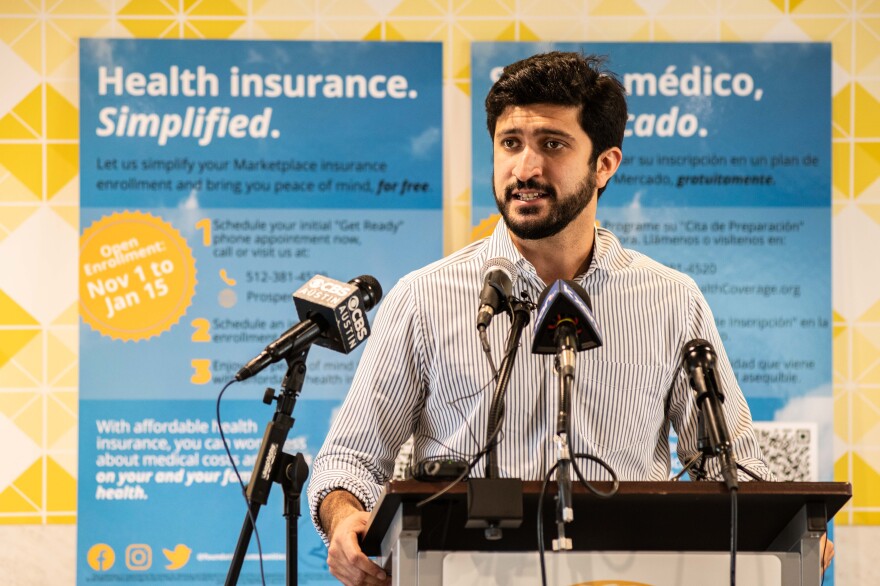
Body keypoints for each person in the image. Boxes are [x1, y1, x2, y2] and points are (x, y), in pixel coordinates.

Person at [306, 51, 831, 585]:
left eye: (552, 145)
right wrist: (346, 517)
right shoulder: (423, 297)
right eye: (511, 143)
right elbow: (349, 459)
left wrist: (790, 529)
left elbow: (731, 467)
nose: (525, 168)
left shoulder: (672, 300)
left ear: (604, 164)